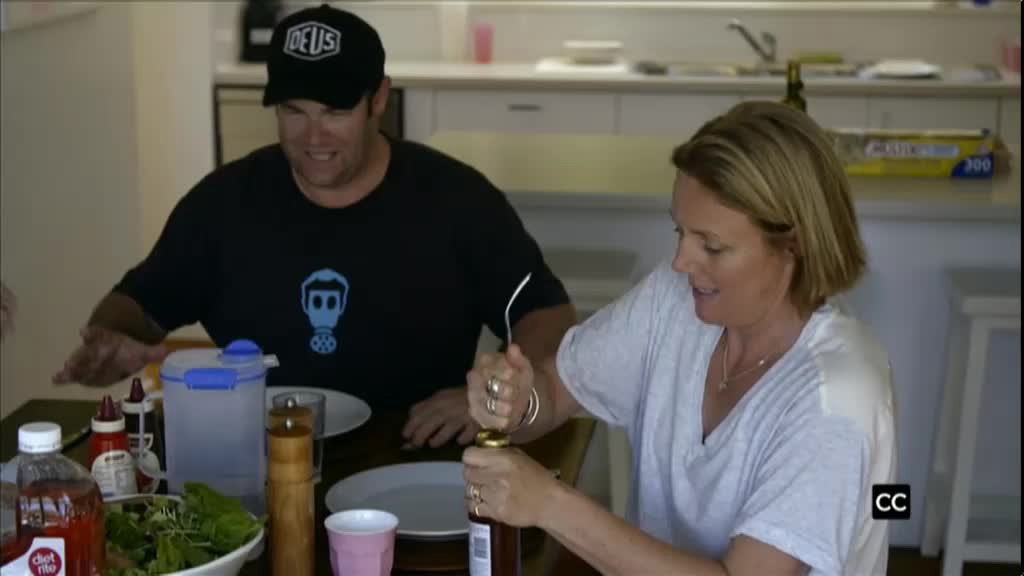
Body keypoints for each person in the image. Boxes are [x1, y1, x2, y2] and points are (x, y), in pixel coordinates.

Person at [53, 4, 575, 449]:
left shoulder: (455, 200)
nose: (313, 137)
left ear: (378, 99)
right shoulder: (224, 204)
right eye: (294, 111)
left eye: (334, 111)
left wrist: (489, 396)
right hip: (254, 457)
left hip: (414, 453)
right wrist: (112, 340)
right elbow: (136, 306)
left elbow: (546, 314)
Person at [463, 102, 896, 575]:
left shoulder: (837, 400)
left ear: (795, 244)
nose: (680, 261)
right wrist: (515, 403)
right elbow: (552, 392)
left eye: (712, 246)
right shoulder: (671, 302)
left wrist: (549, 503)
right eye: (680, 231)